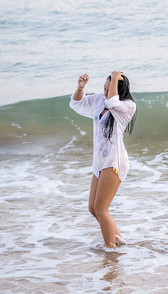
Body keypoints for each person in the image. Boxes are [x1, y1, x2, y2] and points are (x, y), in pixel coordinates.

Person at [69, 70, 137, 248]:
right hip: (100, 162)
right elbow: (77, 103)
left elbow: (113, 101)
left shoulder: (127, 106)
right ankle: (119, 241)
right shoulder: (101, 99)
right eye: (104, 88)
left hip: (114, 161)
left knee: (101, 209)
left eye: (109, 89)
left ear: (118, 89)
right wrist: (80, 88)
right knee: (93, 209)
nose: (105, 93)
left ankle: (110, 252)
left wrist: (115, 77)